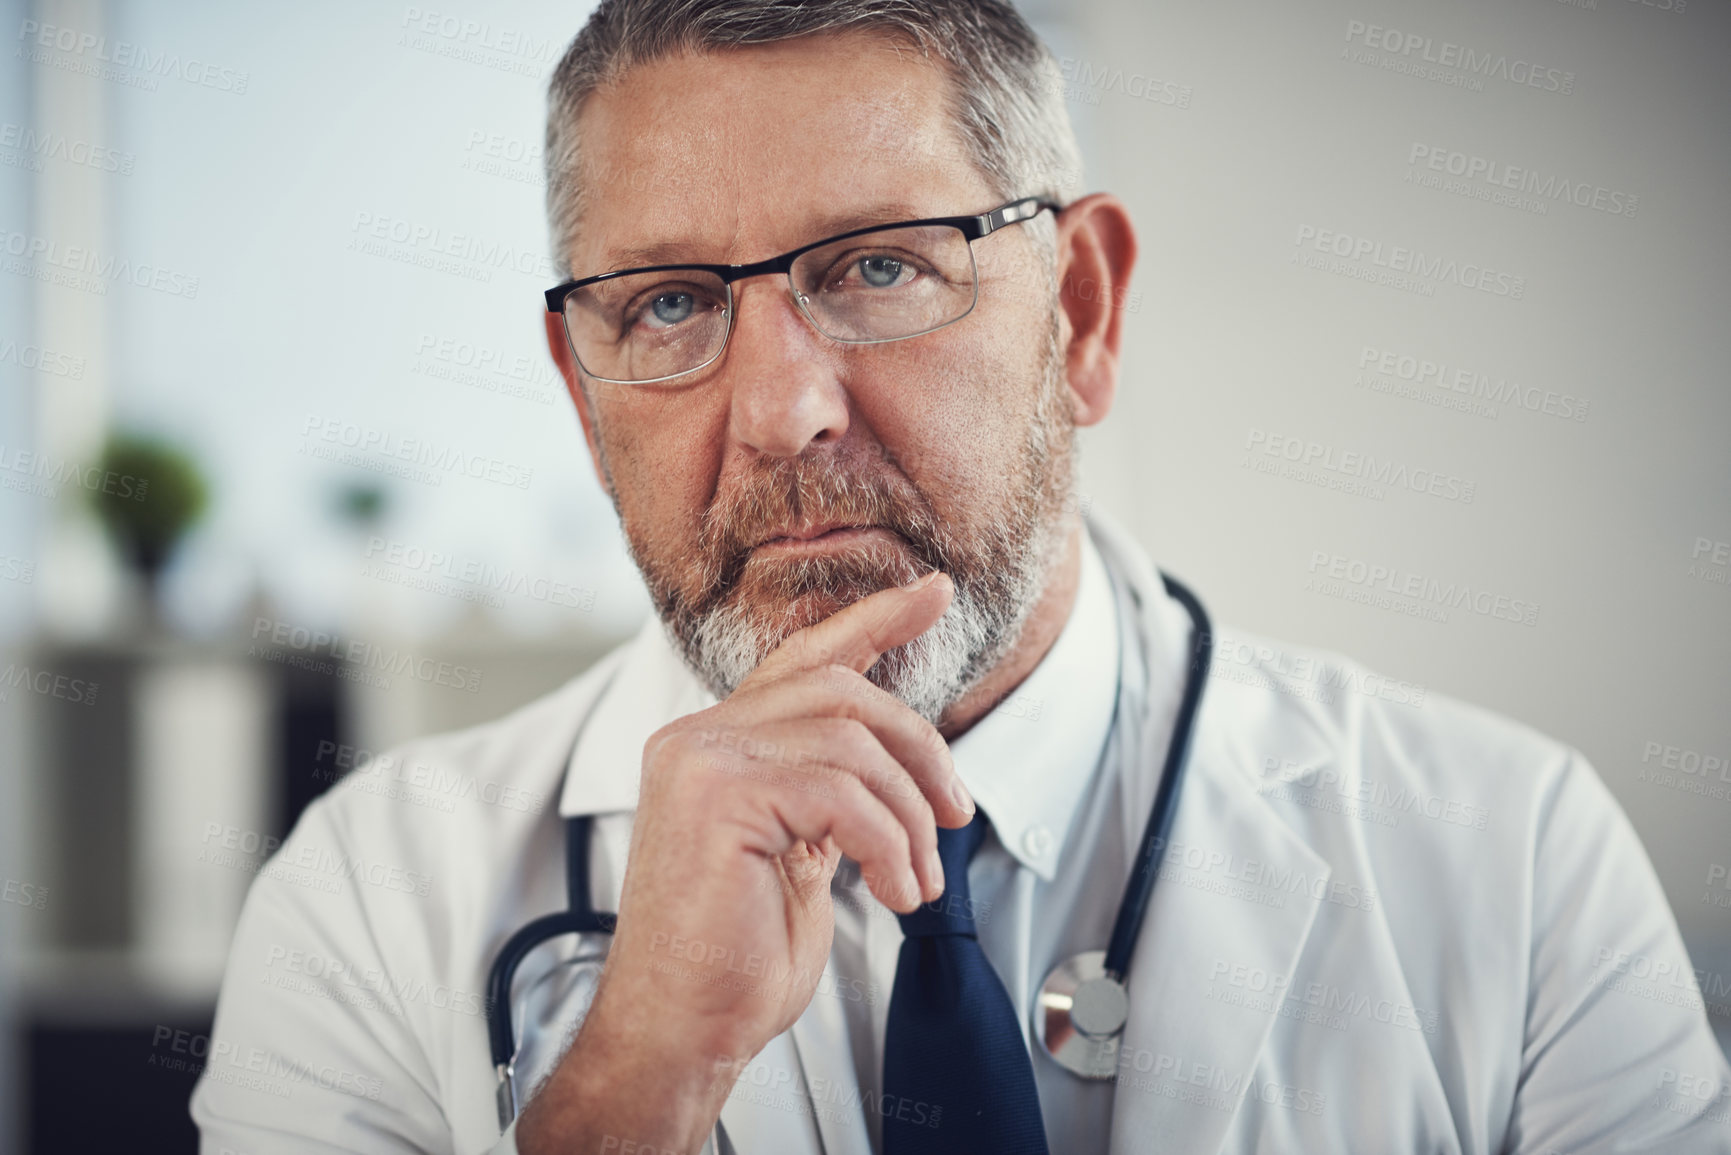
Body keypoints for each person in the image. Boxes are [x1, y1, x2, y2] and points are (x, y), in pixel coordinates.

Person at [193, 1, 1731, 1152]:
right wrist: (637, 1078)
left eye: (878, 266)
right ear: (583, 390)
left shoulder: (1516, 866)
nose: (782, 408)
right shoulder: (369, 903)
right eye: (665, 305)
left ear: (1082, 309)